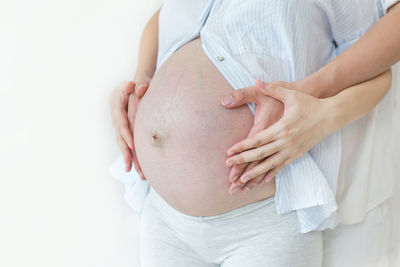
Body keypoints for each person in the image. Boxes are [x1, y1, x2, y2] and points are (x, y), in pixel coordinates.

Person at [109, 0, 400, 266]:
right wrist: (142, 81)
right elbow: (163, 17)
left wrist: (306, 94)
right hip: (165, 219)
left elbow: (383, 42)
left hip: (263, 220)